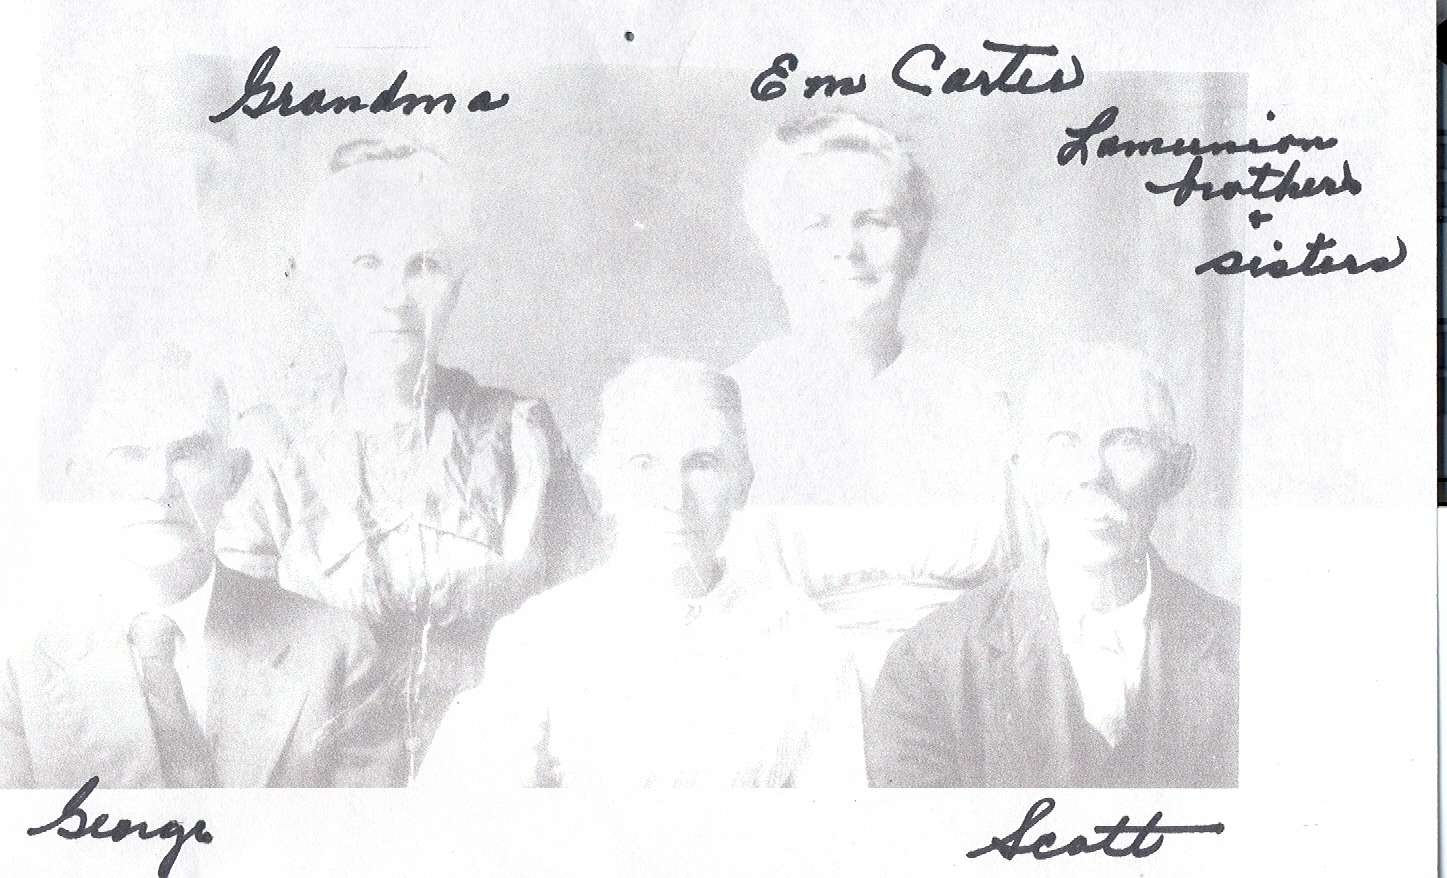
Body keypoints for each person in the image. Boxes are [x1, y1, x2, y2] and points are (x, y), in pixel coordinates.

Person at [214, 137, 596, 776]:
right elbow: (239, 673)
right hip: (319, 789)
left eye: (423, 266)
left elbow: (595, 629)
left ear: (456, 284)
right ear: (325, 280)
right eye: (367, 263)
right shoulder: (270, 453)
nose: (394, 296)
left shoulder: (520, 439)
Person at [418, 358, 865, 788]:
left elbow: (838, 825)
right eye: (644, 463)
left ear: (743, 481)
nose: (673, 497)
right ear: (603, 482)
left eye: (702, 464)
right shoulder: (540, 637)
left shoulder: (804, 642)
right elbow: (460, 822)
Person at [0, 338, 403, 788]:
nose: (159, 487)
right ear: (87, 477)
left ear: (234, 475)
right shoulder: (21, 681)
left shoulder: (337, 654)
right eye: (130, 454)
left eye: (187, 453)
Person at [728, 111, 1016, 694]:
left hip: (967, 710)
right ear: (777, 252)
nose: (847, 249)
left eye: (875, 222)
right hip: (779, 702)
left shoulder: (981, 406)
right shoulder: (729, 408)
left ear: (914, 246)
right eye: (818, 224)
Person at [864, 343, 1239, 788]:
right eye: (1064, 442)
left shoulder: (1246, 652)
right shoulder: (928, 669)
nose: (1091, 473)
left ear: (1176, 471)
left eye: (1127, 441)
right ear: (1022, 474)